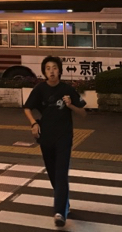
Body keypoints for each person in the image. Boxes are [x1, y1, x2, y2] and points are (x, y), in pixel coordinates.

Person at [23, 56, 87, 228]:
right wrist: (34, 123)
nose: (52, 71)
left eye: (55, 68)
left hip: (64, 137)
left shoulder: (67, 89)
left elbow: (83, 113)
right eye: (48, 68)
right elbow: (27, 107)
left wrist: (70, 105)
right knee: (53, 174)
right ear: (44, 72)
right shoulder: (40, 89)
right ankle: (64, 201)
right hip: (46, 137)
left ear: (60, 70)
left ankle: (59, 212)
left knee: (60, 173)